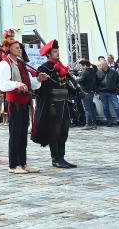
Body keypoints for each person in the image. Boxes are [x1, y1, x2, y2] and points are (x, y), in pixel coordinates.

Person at [0, 39, 48, 174]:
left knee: (22, 134)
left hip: (24, 101)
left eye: (19, 48)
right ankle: (13, 165)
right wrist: (16, 85)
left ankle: (23, 162)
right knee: (15, 134)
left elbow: (26, 81)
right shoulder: (4, 64)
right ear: (9, 49)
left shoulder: (20, 63)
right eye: (16, 48)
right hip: (14, 102)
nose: (19, 50)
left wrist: (38, 79)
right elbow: (3, 84)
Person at [31, 40, 77, 169]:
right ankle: (55, 158)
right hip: (52, 104)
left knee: (64, 131)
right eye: (55, 51)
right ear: (49, 54)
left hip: (64, 103)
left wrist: (76, 90)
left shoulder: (61, 67)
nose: (58, 54)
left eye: (58, 51)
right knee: (54, 132)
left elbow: (66, 84)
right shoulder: (44, 68)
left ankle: (62, 157)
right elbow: (41, 88)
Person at [95, 59, 119, 126]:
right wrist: (97, 92)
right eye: (100, 65)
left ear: (105, 65)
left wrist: (116, 88)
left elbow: (118, 81)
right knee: (105, 108)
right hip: (102, 92)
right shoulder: (98, 73)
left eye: (101, 65)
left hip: (112, 92)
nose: (100, 66)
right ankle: (110, 122)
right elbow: (96, 84)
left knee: (117, 107)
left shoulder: (114, 72)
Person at [77, 59, 98, 130]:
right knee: (91, 109)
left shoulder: (85, 72)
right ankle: (94, 124)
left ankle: (88, 124)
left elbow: (80, 80)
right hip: (91, 92)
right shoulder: (93, 71)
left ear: (85, 65)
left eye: (81, 66)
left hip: (85, 92)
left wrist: (75, 78)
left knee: (87, 109)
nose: (80, 67)